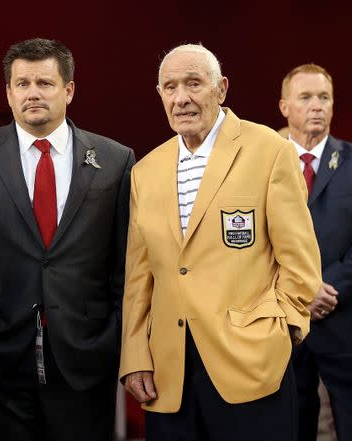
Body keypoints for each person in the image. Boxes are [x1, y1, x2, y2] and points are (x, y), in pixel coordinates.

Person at [119, 44, 322, 441]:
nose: (181, 98)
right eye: (170, 87)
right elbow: (138, 278)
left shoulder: (269, 151)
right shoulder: (145, 170)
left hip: (251, 365)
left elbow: (300, 262)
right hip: (169, 372)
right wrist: (134, 355)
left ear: (221, 88)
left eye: (194, 83)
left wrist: (283, 332)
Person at [0, 38, 135, 441]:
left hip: (84, 359)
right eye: (22, 84)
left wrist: (114, 340)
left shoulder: (115, 159)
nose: (33, 93)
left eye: (45, 83)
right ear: (8, 92)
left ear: (68, 90)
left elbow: (125, 265)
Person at [279, 63, 352, 441]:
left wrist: (328, 286)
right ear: (284, 107)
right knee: (292, 423)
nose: (317, 106)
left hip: (342, 318)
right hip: (284, 322)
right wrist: (303, 288)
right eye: (305, 97)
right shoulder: (261, 164)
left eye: (324, 97)